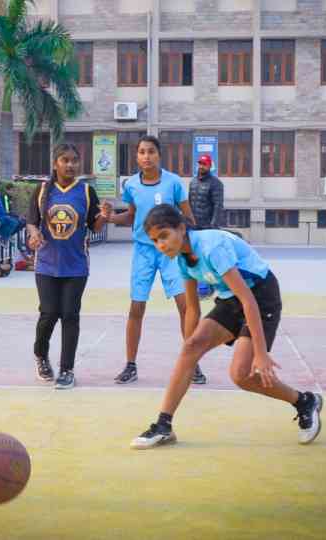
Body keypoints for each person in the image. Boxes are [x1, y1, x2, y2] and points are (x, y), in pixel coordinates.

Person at [129, 204, 323, 449]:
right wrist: (191, 351)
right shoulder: (181, 259)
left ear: (181, 228)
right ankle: (163, 426)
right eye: (155, 241)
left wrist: (262, 355)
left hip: (260, 296)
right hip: (230, 298)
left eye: (164, 236)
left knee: (240, 375)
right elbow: (192, 309)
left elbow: (249, 301)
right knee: (191, 347)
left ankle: (304, 401)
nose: (161, 245)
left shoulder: (212, 247)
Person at [103, 135, 207, 386]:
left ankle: (192, 363)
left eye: (151, 151)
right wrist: (109, 218)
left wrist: (192, 251)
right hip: (143, 251)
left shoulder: (172, 183)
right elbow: (130, 217)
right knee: (136, 307)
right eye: (141, 152)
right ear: (137, 156)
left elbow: (188, 217)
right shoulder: (131, 185)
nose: (146, 156)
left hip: (171, 252)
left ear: (159, 155)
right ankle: (130, 365)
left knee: (185, 306)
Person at [26, 143, 108, 389]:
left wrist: (103, 215)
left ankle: (67, 369)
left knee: (70, 315)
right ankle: (41, 356)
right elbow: (32, 222)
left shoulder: (85, 192)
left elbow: (95, 228)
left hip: (76, 266)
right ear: (55, 163)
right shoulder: (42, 191)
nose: (70, 165)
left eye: (74, 160)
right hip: (47, 266)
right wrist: (33, 234)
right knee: (49, 313)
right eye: (65, 160)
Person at [188, 154, 224, 300]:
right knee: (193, 257)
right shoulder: (192, 182)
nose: (202, 166)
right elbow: (189, 204)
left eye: (205, 164)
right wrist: (187, 221)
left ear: (210, 166)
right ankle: (198, 287)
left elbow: (218, 206)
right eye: (200, 163)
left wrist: (213, 227)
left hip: (208, 227)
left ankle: (209, 288)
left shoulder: (216, 184)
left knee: (209, 258)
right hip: (193, 227)